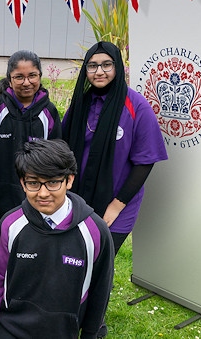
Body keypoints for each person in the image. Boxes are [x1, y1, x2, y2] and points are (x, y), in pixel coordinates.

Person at [62, 41, 168, 337]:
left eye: (106, 65)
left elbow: (145, 162)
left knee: (99, 266)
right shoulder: (80, 102)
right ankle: (71, 314)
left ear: (118, 67)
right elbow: (63, 147)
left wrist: (116, 205)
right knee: (75, 260)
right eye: (92, 65)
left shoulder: (137, 106)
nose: (99, 71)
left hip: (117, 205)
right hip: (77, 200)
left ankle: (94, 326)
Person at [0, 139, 114, 339]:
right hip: (10, 328)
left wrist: (90, 334)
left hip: (64, 332)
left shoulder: (95, 231)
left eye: (52, 182)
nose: (42, 193)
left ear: (70, 180)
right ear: (23, 183)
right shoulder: (10, 224)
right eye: (33, 183)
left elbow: (100, 292)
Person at [0, 50, 62, 219]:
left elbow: (56, 155)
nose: (26, 82)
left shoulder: (49, 112)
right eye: (19, 77)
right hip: (1, 192)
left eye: (32, 76)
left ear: (40, 76)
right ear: (9, 80)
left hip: (37, 193)